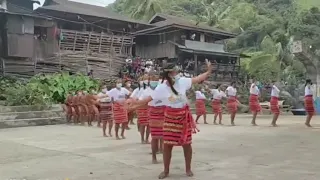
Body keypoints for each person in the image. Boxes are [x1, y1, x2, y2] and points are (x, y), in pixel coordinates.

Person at [129, 61, 212, 179]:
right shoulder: (161, 88)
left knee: (186, 144)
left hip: (183, 116)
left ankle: (188, 169)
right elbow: (147, 99)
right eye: (175, 71)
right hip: (170, 117)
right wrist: (133, 106)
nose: (177, 73)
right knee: (168, 144)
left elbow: (198, 79)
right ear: (170, 73)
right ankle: (166, 170)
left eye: (177, 71)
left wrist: (208, 71)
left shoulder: (182, 81)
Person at [143, 74, 165, 163]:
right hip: (153, 114)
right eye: (152, 79)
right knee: (155, 137)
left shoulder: (163, 89)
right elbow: (143, 101)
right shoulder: (146, 91)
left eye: (156, 78)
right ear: (149, 80)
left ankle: (163, 153)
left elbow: (170, 98)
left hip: (163, 113)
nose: (154, 80)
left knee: (163, 136)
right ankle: (154, 157)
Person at [136, 74, 151, 144]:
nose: (146, 80)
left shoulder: (151, 88)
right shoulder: (140, 89)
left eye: (148, 79)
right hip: (142, 108)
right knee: (143, 124)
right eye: (145, 79)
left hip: (150, 108)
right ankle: (142, 139)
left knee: (149, 125)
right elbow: (137, 99)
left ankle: (147, 139)